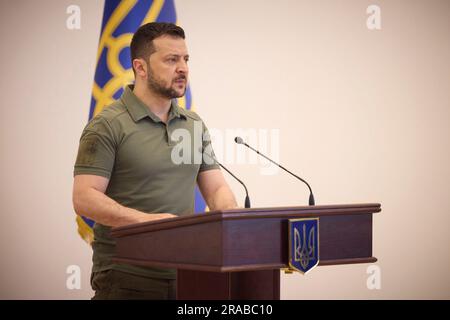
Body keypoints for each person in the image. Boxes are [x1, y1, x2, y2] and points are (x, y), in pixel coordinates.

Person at [72, 22, 237, 300]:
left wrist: (231, 217)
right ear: (141, 68)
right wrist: (149, 223)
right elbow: (84, 198)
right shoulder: (107, 125)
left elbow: (217, 188)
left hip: (189, 273)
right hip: (127, 277)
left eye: (185, 59)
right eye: (171, 60)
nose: (183, 67)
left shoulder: (193, 125)